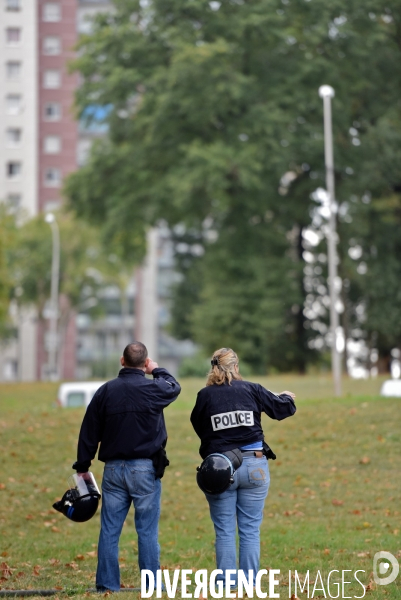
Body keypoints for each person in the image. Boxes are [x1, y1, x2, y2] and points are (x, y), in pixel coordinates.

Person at [72, 341, 181, 592]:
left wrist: (82, 466)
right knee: (147, 530)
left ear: (122, 361)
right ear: (144, 364)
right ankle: (151, 585)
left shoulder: (105, 391)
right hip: (145, 469)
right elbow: (174, 387)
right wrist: (157, 370)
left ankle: (107, 586)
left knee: (109, 530)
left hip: (113, 470)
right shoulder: (154, 388)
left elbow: (88, 432)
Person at [190, 347, 296, 590]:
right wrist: (286, 397)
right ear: (236, 367)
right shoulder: (253, 389)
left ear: (214, 368)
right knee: (249, 529)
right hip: (255, 466)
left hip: (219, 469)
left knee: (225, 530)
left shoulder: (205, 395)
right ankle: (250, 582)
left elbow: (198, 424)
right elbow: (282, 409)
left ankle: (227, 583)